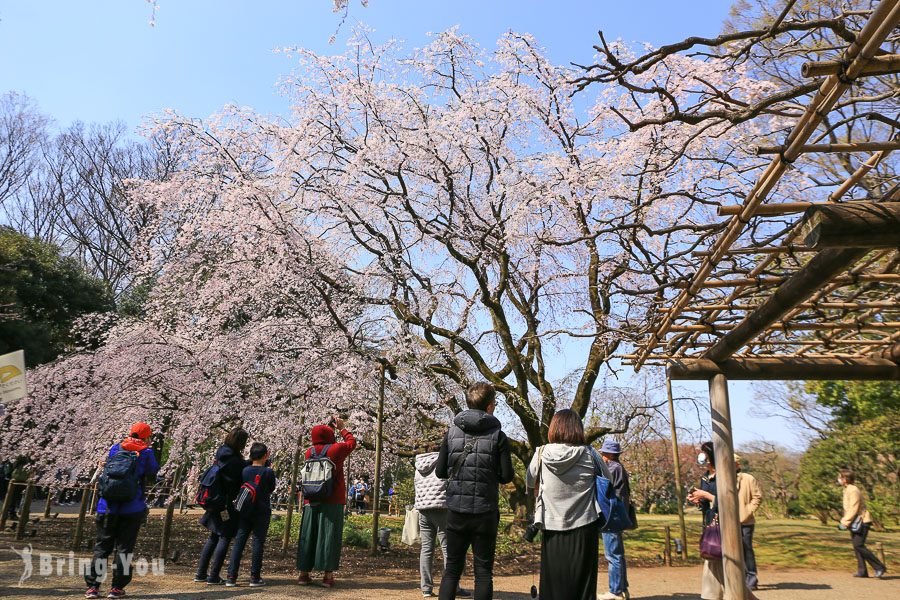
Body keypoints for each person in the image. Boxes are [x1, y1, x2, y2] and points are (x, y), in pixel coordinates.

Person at [435, 382, 514, 600]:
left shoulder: (451, 433)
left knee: (451, 568)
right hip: (485, 510)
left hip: (456, 510)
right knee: (483, 572)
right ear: (490, 406)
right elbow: (507, 476)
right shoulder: (498, 436)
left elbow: (440, 471)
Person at [526, 409, 604, 600]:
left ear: (553, 428)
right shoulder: (590, 454)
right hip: (585, 526)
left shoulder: (541, 453)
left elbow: (529, 482)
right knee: (583, 586)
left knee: (553, 584)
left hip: (551, 526)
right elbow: (607, 482)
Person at [84, 422, 159, 600]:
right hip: (132, 507)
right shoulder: (146, 453)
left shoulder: (116, 448)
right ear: (147, 437)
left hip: (107, 505)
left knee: (102, 547)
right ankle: (116, 588)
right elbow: (153, 471)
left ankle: (93, 587)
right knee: (124, 548)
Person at [688, 442, 759, 600]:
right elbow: (707, 505)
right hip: (711, 527)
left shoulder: (726, 476)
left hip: (726, 528)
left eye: (705, 455)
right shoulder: (705, 478)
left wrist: (705, 496)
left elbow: (726, 502)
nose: (702, 458)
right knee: (715, 568)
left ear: (712, 457)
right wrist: (697, 500)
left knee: (726, 570)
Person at [296, 416, 357, 588]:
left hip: (311, 498)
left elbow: (321, 440)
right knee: (329, 535)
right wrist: (342, 429)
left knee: (308, 535)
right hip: (332, 499)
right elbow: (352, 443)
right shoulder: (336, 449)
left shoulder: (309, 452)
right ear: (331, 435)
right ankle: (327, 576)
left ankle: (303, 574)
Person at [194, 426, 250, 585]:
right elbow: (236, 479)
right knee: (224, 537)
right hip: (225, 504)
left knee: (213, 536)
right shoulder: (234, 461)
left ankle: (201, 573)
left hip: (214, 501)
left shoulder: (222, 453)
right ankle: (213, 576)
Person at [414, 445, 471, 598]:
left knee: (426, 549)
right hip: (442, 509)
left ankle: (426, 588)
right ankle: (453, 586)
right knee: (448, 549)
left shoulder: (419, 465)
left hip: (423, 509)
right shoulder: (445, 462)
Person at [227, 441, 277, 586]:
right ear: (265, 455)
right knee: (258, 543)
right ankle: (255, 577)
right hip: (261, 510)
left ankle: (231, 576)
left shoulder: (245, 471)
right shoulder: (268, 472)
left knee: (239, 541)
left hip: (245, 510)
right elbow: (271, 488)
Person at [838, 468, 886, 579]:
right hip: (854, 521)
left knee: (859, 545)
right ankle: (862, 571)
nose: (839, 479)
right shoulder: (847, 489)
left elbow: (854, 508)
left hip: (862, 521)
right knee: (857, 546)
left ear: (845, 479)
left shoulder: (853, 490)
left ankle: (879, 567)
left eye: (840, 477)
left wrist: (844, 521)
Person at [599, 439, 631, 600]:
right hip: (617, 514)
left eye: (604, 453)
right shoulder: (619, 468)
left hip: (611, 515)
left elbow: (606, 490)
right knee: (617, 553)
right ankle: (622, 589)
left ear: (611, 454)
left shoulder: (613, 468)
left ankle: (616, 591)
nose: (602, 456)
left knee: (613, 555)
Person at [735, 454, 762, 590]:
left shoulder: (748, 478)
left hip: (746, 521)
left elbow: (757, 497)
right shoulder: (722, 479)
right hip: (729, 522)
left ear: (738, 465)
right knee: (734, 550)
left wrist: (748, 511)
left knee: (747, 549)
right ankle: (740, 577)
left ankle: (751, 578)